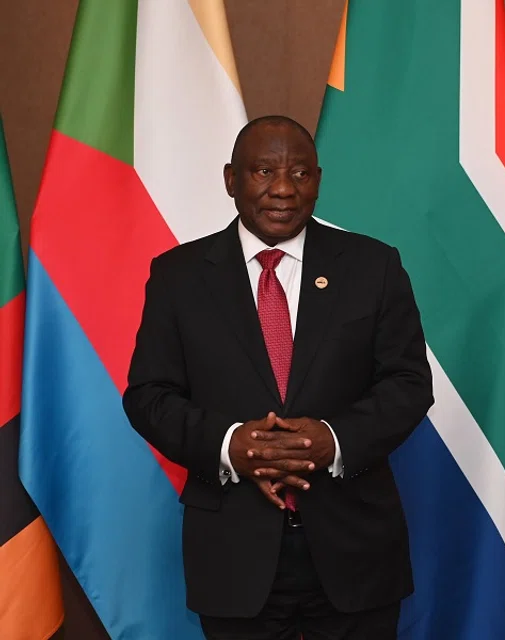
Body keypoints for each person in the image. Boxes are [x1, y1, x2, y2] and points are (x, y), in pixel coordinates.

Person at [123, 115, 433, 639]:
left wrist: (332, 440)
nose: (284, 189)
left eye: (300, 173)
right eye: (263, 171)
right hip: (233, 551)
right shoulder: (178, 276)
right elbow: (149, 396)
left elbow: (408, 384)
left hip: (354, 549)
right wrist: (230, 445)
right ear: (230, 180)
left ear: (318, 179)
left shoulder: (372, 266)